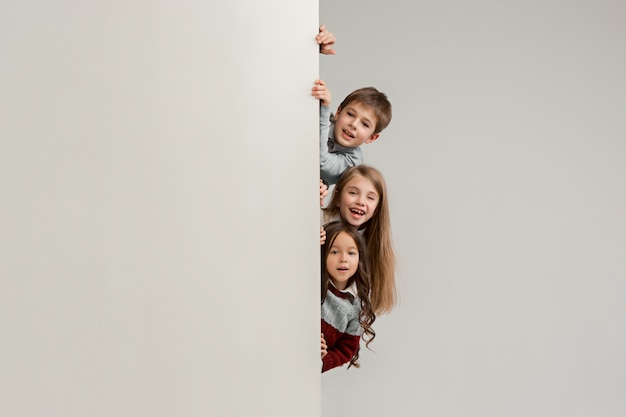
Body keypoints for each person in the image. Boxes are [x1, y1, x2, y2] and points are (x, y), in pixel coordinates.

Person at [323, 165, 397, 315]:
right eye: (353, 193)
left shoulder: (371, 245)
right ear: (337, 197)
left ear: (376, 209)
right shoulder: (319, 223)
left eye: (370, 197)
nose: (361, 202)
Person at [312, 79, 392, 186]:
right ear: (338, 112)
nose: (354, 124)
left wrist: (325, 109)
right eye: (350, 114)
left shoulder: (353, 161)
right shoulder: (321, 118)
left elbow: (320, 160)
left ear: (371, 138)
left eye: (365, 124)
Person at [320, 221, 376, 373]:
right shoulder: (315, 283)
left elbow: (347, 348)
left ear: (359, 258)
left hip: (310, 367)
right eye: (334, 252)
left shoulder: (357, 304)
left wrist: (324, 359)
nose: (343, 259)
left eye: (351, 253)